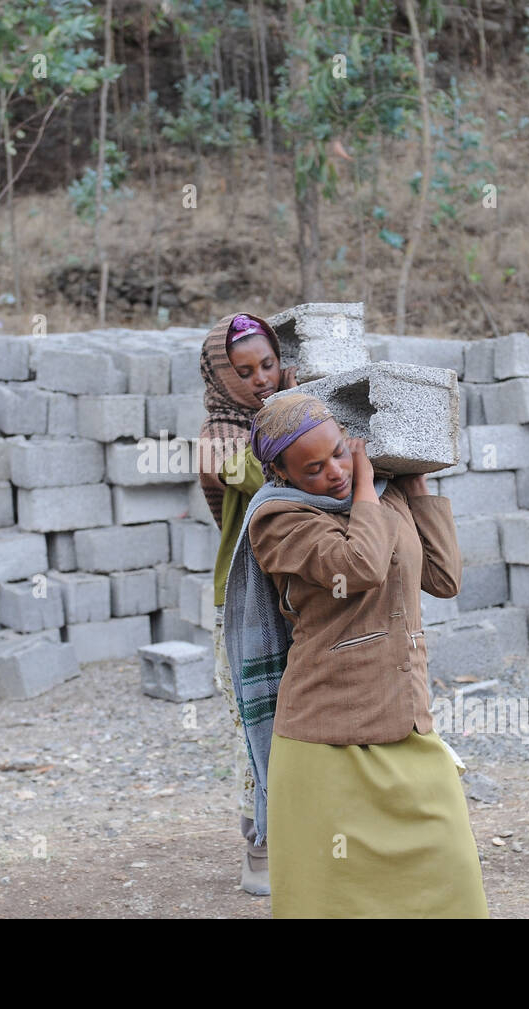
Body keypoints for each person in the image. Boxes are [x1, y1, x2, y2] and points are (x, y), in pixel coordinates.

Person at [223, 393, 488, 918]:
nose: (336, 474)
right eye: (314, 468)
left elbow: (445, 578)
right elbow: (359, 566)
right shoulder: (278, 521)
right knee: (334, 902)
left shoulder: (384, 499)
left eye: (341, 453)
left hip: (406, 724)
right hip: (326, 742)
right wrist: (368, 483)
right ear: (280, 472)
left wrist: (414, 484)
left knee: (450, 879)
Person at [196, 312, 296, 896]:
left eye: (268, 365)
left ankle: (293, 831)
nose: (261, 379)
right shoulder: (222, 441)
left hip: (290, 597)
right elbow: (271, 474)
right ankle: (258, 847)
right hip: (243, 606)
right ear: (221, 379)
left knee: (288, 719)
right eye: (244, 371)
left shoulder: (287, 413)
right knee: (254, 723)